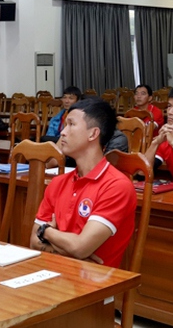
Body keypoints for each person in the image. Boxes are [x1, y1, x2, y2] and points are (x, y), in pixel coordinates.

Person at [30, 98, 136, 268]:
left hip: (95, 284)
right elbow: (34, 242)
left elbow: (80, 247)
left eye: (71, 124)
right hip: (55, 274)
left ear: (93, 134)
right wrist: (71, 253)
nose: (63, 132)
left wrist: (46, 231)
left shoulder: (116, 185)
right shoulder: (58, 182)